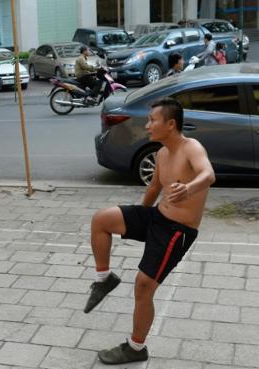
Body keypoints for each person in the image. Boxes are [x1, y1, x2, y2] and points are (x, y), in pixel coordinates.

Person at [85, 97, 215, 365]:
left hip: (177, 231)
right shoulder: (162, 152)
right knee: (102, 220)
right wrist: (137, 219)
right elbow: (155, 187)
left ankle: (135, 347)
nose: (147, 126)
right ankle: (104, 278)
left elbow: (208, 174)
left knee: (144, 286)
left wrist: (189, 188)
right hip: (156, 217)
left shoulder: (192, 148)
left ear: (170, 123)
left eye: (152, 121)